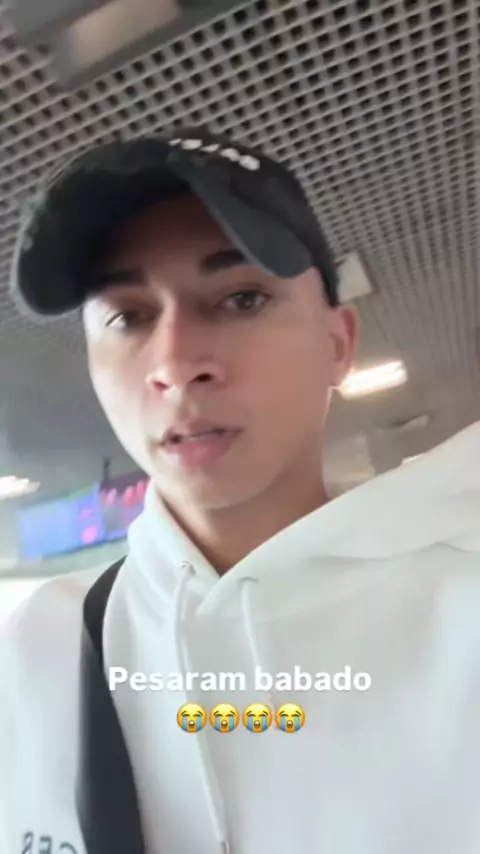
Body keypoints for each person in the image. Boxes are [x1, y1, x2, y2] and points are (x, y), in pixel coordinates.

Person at [2, 126, 480, 854]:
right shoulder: (40, 652)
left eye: (242, 298)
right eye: (128, 317)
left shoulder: (461, 616)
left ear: (338, 344)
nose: (175, 364)